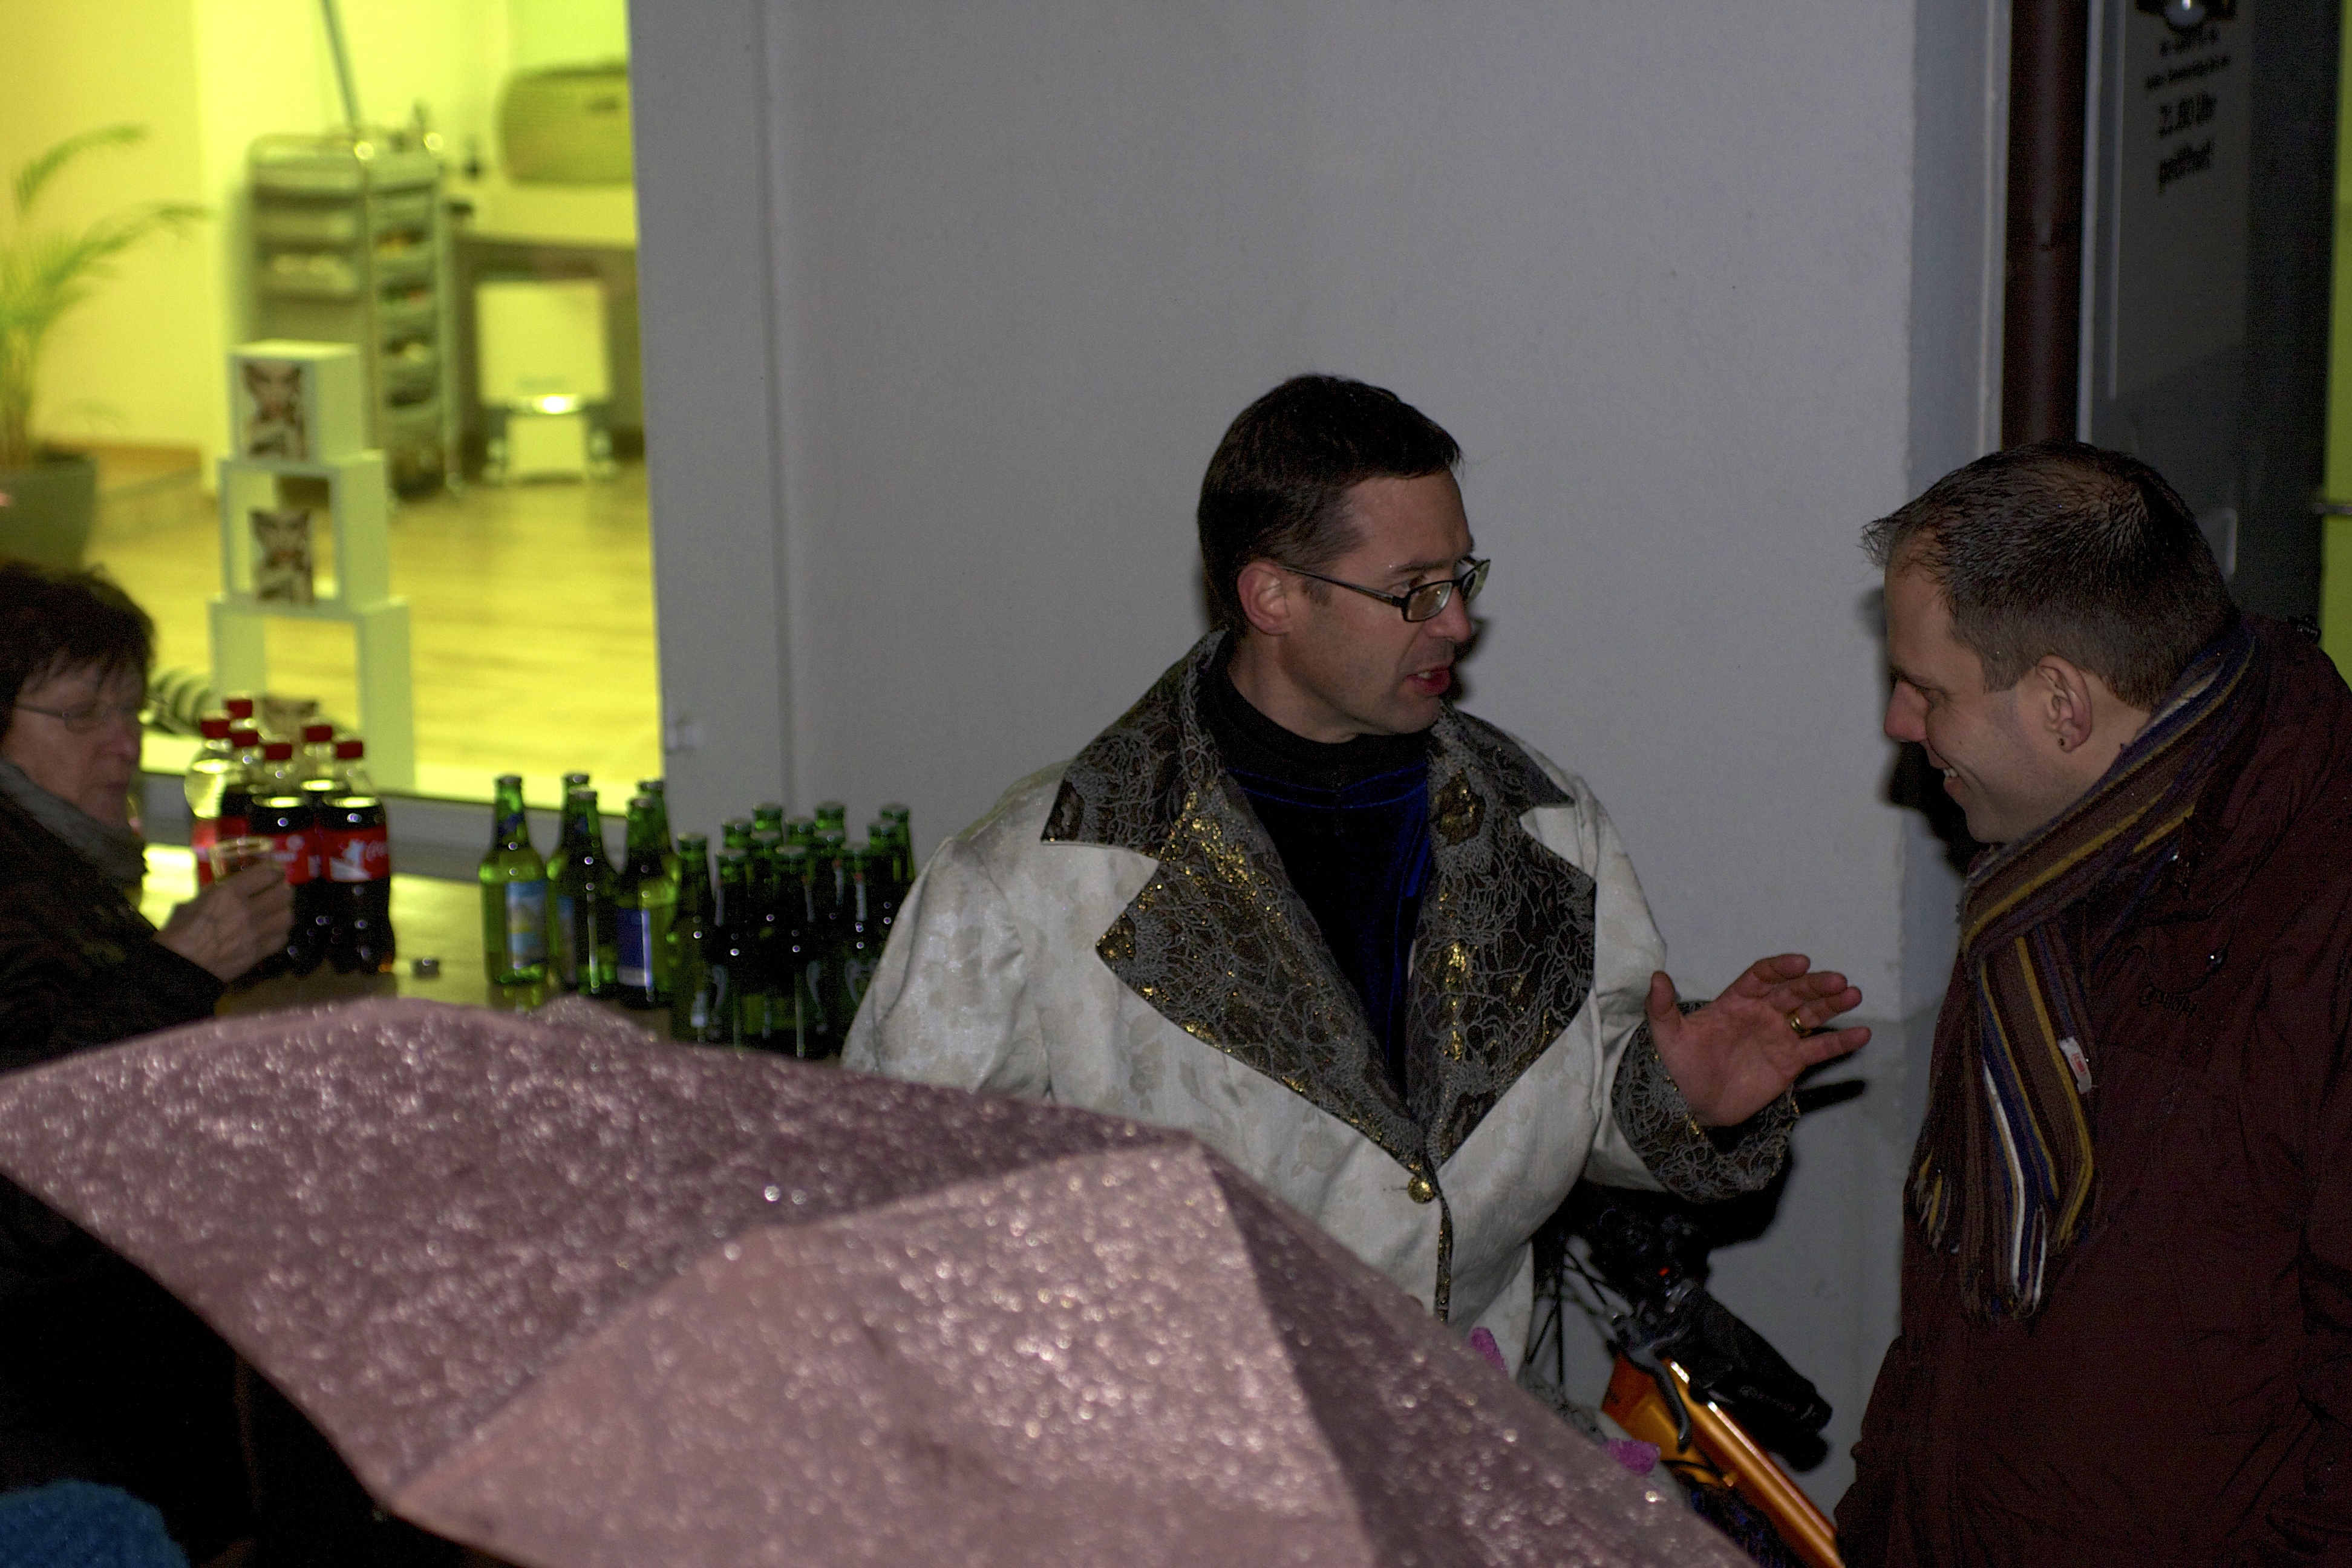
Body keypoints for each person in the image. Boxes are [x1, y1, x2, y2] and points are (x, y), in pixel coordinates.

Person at [845, 376, 1867, 1366]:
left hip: (1459, 1438)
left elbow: (1568, 1111)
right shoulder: (1034, 880)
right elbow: (890, 1229)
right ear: (1273, 596)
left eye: (1460, 579)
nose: (1455, 623)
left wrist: (1674, 1097)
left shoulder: (1543, 828)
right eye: (1412, 591)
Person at [1837, 442, 2352, 1564]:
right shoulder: (2038, 889)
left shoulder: (2320, 929)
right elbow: (1952, 1326)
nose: (1899, 724)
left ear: (2062, 703)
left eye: (1928, 690)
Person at [0, 560, 292, 1561]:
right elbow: (34, 1148)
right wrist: (177, 971)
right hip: (53, 1405)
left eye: (130, 711)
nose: (122, 744)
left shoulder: (61, 864)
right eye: (81, 714)